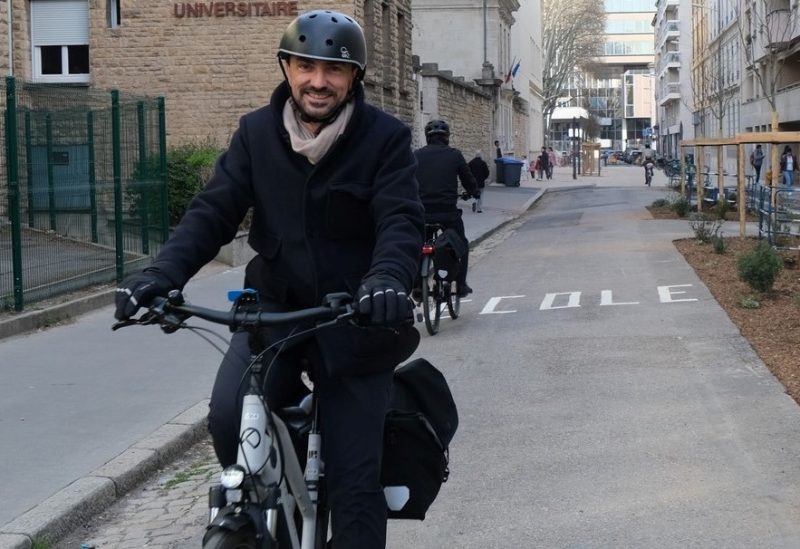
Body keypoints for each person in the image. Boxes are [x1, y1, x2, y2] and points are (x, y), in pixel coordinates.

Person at [113, 11, 424, 548]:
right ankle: (271, 511)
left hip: (355, 318)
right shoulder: (256, 133)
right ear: (286, 68)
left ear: (355, 77)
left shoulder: (384, 138)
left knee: (354, 485)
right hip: (273, 316)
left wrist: (389, 279)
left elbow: (399, 220)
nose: (318, 81)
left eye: (334, 69)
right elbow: (213, 211)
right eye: (305, 66)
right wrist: (163, 274)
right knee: (229, 417)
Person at [415, 119, 479, 296]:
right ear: (447, 137)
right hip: (447, 214)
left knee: (417, 244)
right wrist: (473, 191)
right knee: (461, 244)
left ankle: (417, 286)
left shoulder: (416, 155)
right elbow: (468, 179)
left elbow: (406, 180)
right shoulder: (454, 155)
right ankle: (460, 285)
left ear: (428, 138)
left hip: (423, 213)